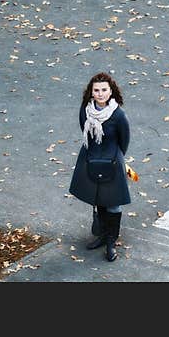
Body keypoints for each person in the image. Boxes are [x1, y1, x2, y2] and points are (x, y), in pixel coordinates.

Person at [69, 72, 131, 262]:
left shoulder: (118, 115)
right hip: (91, 159)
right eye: (96, 90)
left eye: (104, 90)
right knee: (99, 199)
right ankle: (103, 236)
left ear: (111, 91)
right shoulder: (85, 110)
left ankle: (111, 242)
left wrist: (114, 158)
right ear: (91, 92)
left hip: (112, 162)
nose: (100, 93)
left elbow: (124, 141)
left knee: (113, 203)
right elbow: (84, 131)